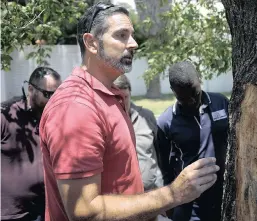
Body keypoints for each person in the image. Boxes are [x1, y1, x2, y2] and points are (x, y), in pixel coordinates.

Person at [39, 2, 220, 221]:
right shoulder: (76, 107)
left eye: (132, 35)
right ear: (92, 43)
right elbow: (85, 212)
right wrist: (173, 194)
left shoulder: (108, 96)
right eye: (122, 35)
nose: (133, 44)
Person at [157, 60, 229, 221]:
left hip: (225, 194)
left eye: (194, 94)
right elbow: (164, 168)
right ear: (173, 91)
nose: (191, 101)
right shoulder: (165, 122)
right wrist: (170, 201)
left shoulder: (221, 103)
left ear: (199, 79)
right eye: (183, 98)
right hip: (190, 205)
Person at [1, 67, 61, 221]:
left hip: (45, 208)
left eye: (58, 94)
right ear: (30, 89)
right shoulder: (7, 115)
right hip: (13, 213)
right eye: (48, 94)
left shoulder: (56, 118)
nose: (53, 100)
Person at [114, 74, 164, 191]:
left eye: (125, 97)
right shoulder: (106, 123)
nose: (122, 102)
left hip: (153, 190)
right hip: (124, 196)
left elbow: (160, 152)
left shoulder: (146, 117)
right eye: (117, 98)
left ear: (130, 93)